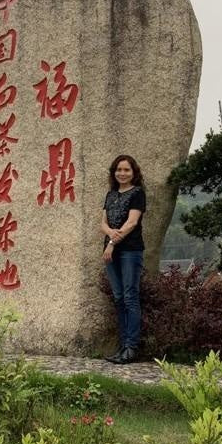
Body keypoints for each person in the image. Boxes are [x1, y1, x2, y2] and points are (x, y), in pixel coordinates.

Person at [101, 154, 146, 364]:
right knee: (119, 297)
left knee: (130, 297)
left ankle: (131, 347)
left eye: (127, 170)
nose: (122, 173)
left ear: (134, 172)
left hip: (130, 250)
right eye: (119, 170)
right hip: (111, 252)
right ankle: (122, 346)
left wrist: (111, 242)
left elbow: (132, 223)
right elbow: (103, 223)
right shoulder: (110, 195)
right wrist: (109, 235)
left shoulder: (138, 194)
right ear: (114, 172)